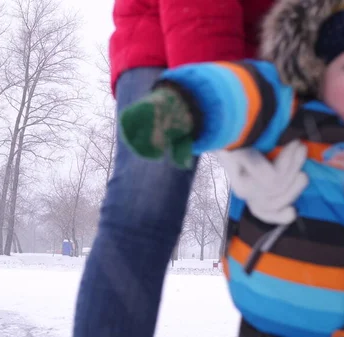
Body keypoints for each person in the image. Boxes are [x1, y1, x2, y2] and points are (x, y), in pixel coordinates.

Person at [118, 0, 344, 336]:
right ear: (321, 76)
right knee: (140, 212)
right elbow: (236, 92)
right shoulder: (292, 114)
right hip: (275, 320)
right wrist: (186, 106)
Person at [72, 2, 277, 337]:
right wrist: (215, 100)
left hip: (285, 53)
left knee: (299, 224)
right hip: (167, 32)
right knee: (143, 207)